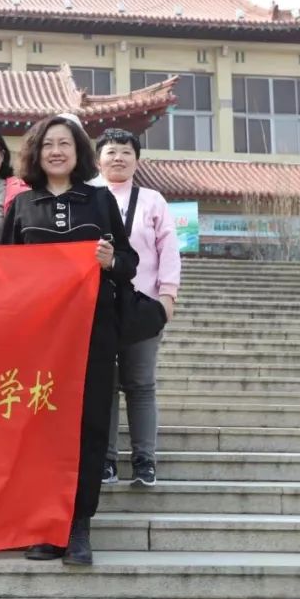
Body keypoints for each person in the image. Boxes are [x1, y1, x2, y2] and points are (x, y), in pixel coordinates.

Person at [1, 115, 137, 566]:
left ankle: (78, 524)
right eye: (48, 145)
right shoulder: (23, 206)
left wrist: (110, 259)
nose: (56, 151)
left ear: (78, 152)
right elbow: (3, 272)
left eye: (65, 144)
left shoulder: (100, 200)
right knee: (39, 427)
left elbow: (130, 262)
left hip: (92, 332)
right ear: (36, 154)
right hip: (37, 338)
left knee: (89, 425)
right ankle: (45, 524)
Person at [96, 129, 180, 488]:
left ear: (136, 160)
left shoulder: (152, 200)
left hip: (143, 306)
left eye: (126, 152)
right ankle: (106, 460)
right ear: (98, 159)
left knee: (141, 384)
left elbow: (169, 249)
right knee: (104, 385)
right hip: (98, 307)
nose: (118, 158)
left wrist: (168, 296)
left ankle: (145, 459)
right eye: (111, 151)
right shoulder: (89, 196)